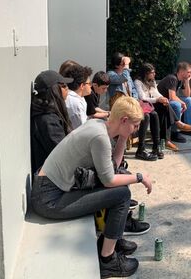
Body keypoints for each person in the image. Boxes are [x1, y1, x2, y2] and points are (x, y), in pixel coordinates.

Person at [30, 96, 153, 278]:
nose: (136, 130)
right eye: (135, 125)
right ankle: (107, 260)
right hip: (49, 199)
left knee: (122, 182)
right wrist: (140, 177)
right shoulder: (100, 137)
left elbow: (113, 169)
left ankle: (111, 240)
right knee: (122, 194)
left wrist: (122, 139)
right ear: (124, 120)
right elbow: (109, 181)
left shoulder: (98, 125)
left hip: (51, 189)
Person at [135, 63, 189, 158]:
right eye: (152, 72)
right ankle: (176, 123)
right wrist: (157, 100)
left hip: (152, 105)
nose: (154, 74)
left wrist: (163, 98)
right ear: (146, 73)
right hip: (143, 105)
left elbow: (156, 93)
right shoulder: (138, 82)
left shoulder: (152, 81)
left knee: (163, 107)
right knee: (159, 110)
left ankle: (157, 147)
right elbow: (142, 98)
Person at [30, 70, 73, 174]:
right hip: (53, 182)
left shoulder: (49, 113)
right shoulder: (48, 120)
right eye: (64, 86)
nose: (68, 88)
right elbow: (63, 155)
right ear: (54, 90)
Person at [157, 62, 191, 144]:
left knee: (189, 100)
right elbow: (172, 97)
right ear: (182, 72)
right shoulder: (172, 78)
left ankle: (188, 129)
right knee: (177, 104)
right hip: (161, 102)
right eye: (188, 72)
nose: (190, 74)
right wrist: (182, 103)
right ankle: (174, 132)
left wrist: (187, 81)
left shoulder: (181, 80)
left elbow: (187, 94)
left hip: (169, 100)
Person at [61, 63, 93, 130]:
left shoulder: (79, 98)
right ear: (82, 86)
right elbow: (81, 129)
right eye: (89, 83)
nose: (91, 86)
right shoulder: (75, 102)